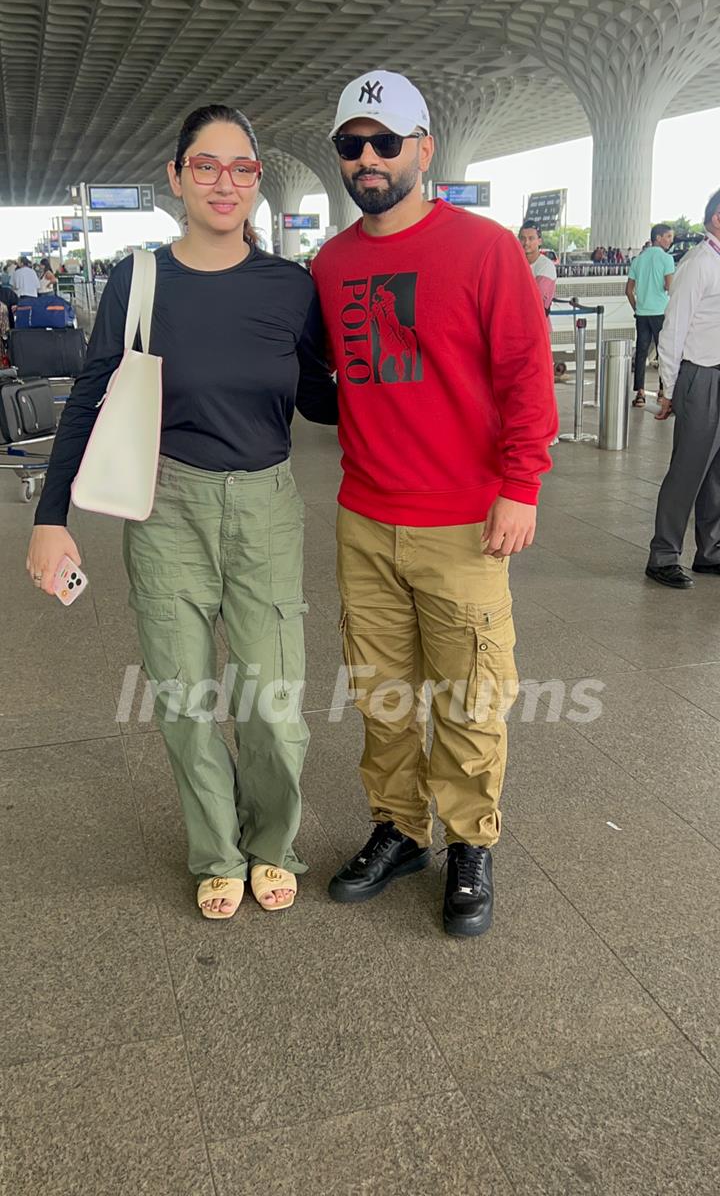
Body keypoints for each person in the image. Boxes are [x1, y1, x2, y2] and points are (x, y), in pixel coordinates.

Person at [26, 104, 338, 919]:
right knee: (184, 698)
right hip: (166, 507)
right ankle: (218, 850)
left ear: (256, 182)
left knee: (274, 706)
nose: (224, 182)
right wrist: (50, 518)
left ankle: (274, 841)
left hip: (266, 506)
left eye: (242, 168)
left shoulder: (291, 288)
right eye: (207, 165)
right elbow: (91, 400)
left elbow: (324, 397)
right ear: (177, 177)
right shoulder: (140, 280)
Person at [312, 70, 557, 937]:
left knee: (470, 695)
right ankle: (398, 829)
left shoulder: (486, 249)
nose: (368, 158)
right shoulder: (332, 263)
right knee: (381, 693)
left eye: (385, 142)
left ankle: (469, 842)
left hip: (464, 523)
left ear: (424, 148)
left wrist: (519, 485)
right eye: (352, 144)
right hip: (366, 516)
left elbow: (527, 373)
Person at [646, 188, 720, 589]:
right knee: (688, 469)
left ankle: (711, 552)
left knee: (717, 473)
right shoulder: (698, 263)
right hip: (699, 375)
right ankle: (663, 555)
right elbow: (673, 330)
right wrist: (669, 389)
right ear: (717, 218)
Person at [626, 224, 674, 406]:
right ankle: (663, 390)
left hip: (642, 313)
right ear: (659, 238)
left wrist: (636, 308)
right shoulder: (667, 259)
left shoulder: (638, 260)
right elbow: (670, 286)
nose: (670, 240)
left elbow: (628, 290)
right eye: (668, 236)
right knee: (663, 352)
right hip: (660, 311)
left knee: (641, 352)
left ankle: (640, 393)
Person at [518, 223, 557, 315]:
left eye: (531, 238)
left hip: (538, 323)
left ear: (540, 241)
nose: (526, 242)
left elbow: (534, 298)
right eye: (523, 238)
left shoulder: (546, 265)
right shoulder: (515, 263)